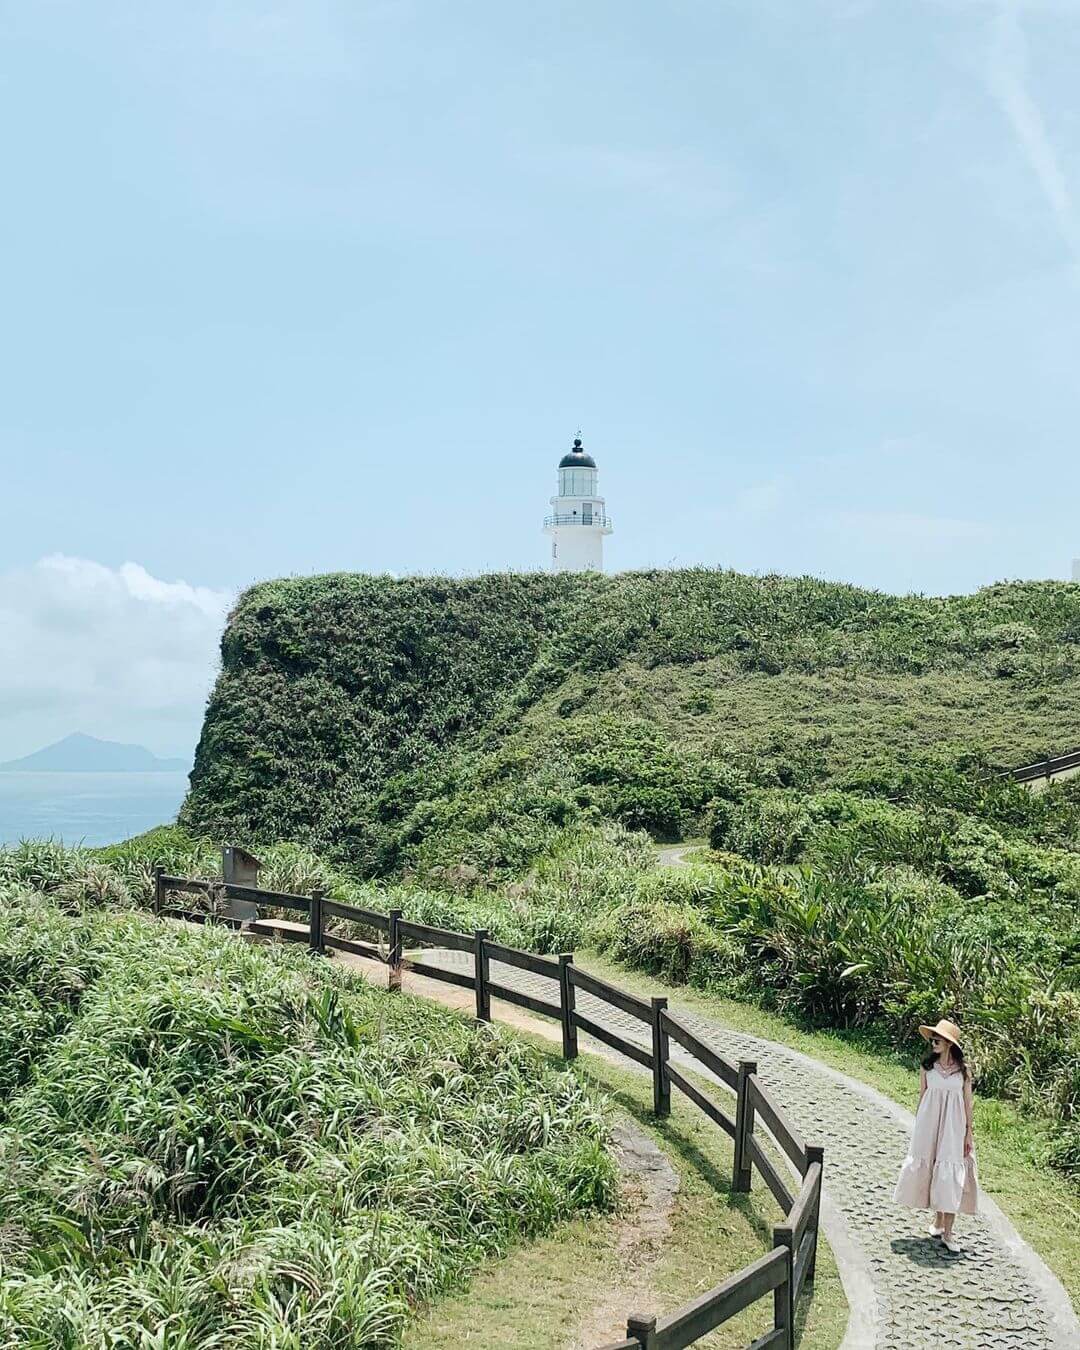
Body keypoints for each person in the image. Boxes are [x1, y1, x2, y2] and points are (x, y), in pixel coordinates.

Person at [892, 1018, 978, 1253]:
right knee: (932, 1169)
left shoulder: (963, 1071)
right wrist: (918, 1126)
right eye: (932, 1039)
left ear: (949, 1043)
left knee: (949, 1172)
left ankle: (949, 1233)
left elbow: (967, 1103)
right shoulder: (927, 1067)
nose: (933, 1043)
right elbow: (923, 1096)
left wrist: (968, 1133)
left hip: (954, 1126)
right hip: (929, 1125)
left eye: (938, 1040)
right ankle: (939, 1222)